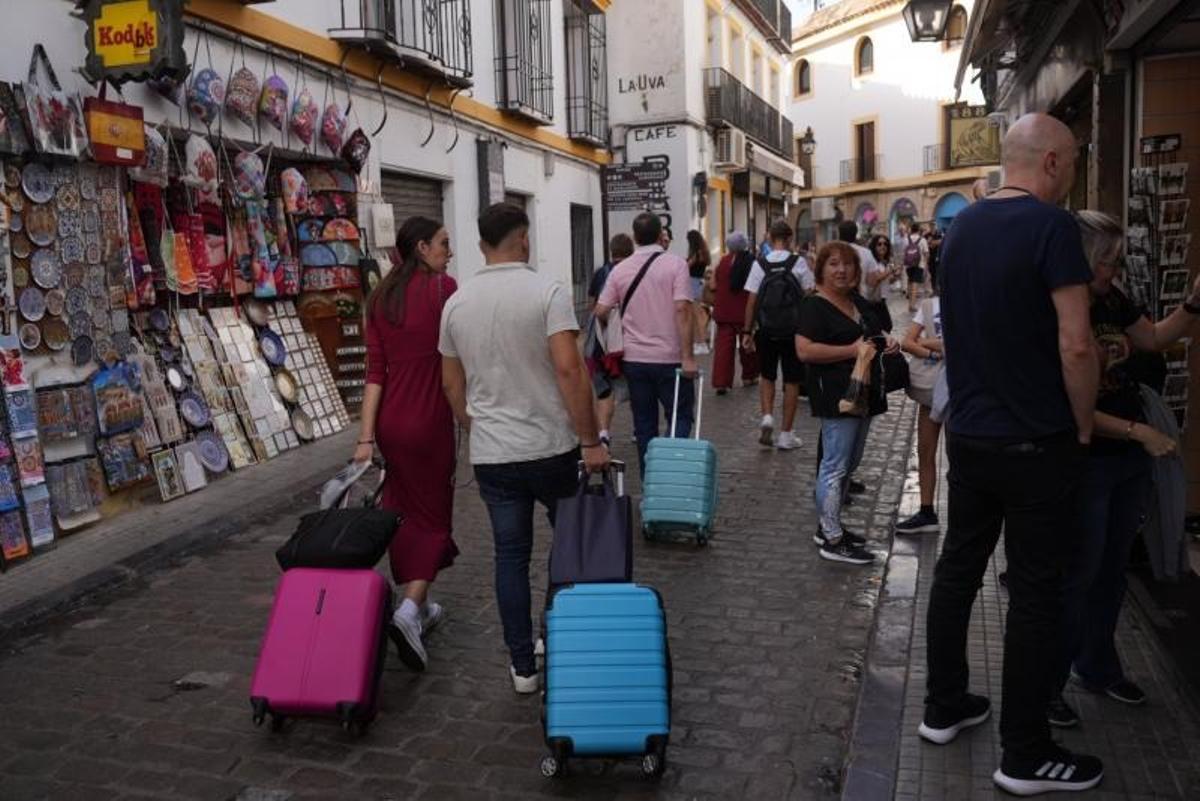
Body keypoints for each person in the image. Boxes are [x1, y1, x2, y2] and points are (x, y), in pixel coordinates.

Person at [920, 113, 1103, 796]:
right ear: (1052, 162)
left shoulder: (960, 228)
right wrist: (1082, 424)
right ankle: (1024, 751)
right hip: (1035, 440)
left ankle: (945, 705)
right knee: (1034, 591)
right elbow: (1076, 342)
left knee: (959, 568)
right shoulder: (1054, 228)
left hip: (970, 435)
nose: (1076, 170)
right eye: (1077, 159)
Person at [439, 203, 609, 694]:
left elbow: (452, 385)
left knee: (509, 556)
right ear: (524, 240)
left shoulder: (458, 302)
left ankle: (522, 666)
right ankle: (550, 633)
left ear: (480, 246)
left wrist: (475, 425)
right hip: (551, 446)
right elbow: (570, 370)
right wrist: (590, 439)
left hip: (494, 454)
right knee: (568, 547)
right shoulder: (547, 292)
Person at [1049, 210, 1200, 726]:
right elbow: (1071, 408)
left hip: (1125, 461)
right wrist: (1141, 433)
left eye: (1117, 260)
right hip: (1089, 460)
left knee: (1112, 571)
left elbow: (1155, 338)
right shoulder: (1062, 310)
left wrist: (1193, 302)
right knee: (1079, 574)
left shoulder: (1113, 300)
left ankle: (1097, 666)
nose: (1114, 270)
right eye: (1106, 261)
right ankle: (1049, 684)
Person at [355, 216, 458, 673]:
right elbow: (461, 358)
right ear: (420, 247)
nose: (448, 252)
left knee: (404, 512)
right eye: (443, 243)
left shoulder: (379, 298)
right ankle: (409, 612)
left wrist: (364, 437)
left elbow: (374, 373)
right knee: (434, 516)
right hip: (431, 419)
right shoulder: (444, 290)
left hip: (392, 424)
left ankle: (423, 605)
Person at [795, 242, 893, 564]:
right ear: (821, 269)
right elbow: (805, 351)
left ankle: (829, 526)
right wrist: (850, 351)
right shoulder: (814, 305)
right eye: (834, 264)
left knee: (849, 463)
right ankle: (832, 539)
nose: (842, 270)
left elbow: (875, 332)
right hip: (836, 395)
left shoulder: (856, 301)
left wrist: (885, 342)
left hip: (864, 393)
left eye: (848, 264)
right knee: (835, 466)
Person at [595, 212, 696, 474]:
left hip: (635, 359)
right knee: (680, 417)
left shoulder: (620, 270)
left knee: (644, 425)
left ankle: (650, 484)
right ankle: (672, 476)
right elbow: (683, 309)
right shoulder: (676, 265)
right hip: (671, 359)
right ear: (661, 235)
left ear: (634, 237)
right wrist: (688, 356)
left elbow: (601, 310)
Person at [741, 219, 814, 450]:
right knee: (792, 381)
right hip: (793, 331)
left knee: (767, 375)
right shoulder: (798, 262)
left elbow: (752, 300)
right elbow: (810, 293)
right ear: (790, 238)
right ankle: (786, 435)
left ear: (770, 239)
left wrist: (747, 330)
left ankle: (767, 417)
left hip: (767, 330)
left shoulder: (759, 264)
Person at [895, 275, 944, 534]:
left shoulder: (975, 303)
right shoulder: (929, 306)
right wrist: (935, 350)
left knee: (963, 458)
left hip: (965, 390)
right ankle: (926, 510)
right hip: (934, 388)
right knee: (925, 450)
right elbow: (907, 342)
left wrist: (926, 342)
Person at [587, 233, 635, 449]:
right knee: (636, 386)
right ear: (630, 251)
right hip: (627, 341)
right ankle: (638, 429)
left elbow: (592, 305)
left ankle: (604, 432)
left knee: (604, 388)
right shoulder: (632, 271)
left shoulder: (600, 273)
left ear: (611, 251)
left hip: (600, 342)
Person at [710, 231, 759, 394]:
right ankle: (749, 376)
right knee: (747, 345)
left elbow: (713, 286)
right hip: (744, 310)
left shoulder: (722, 262)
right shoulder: (751, 262)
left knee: (723, 348)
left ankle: (721, 382)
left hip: (723, 310)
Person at [838, 221, 888, 327]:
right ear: (856, 233)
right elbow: (872, 281)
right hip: (860, 302)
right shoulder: (865, 253)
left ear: (839, 233)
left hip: (836, 301)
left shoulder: (832, 252)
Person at [686, 230, 713, 353]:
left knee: (696, 317)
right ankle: (702, 341)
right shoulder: (704, 253)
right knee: (699, 316)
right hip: (699, 283)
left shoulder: (696, 254)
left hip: (691, 284)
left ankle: (701, 343)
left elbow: (686, 266)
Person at [902, 224, 930, 313]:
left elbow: (904, 253)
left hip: (908, 265)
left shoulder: (906, 239)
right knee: (915, 286)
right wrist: (926, 265)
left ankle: (910, 304)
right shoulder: (922, 240)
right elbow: (926, 254)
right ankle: (912, 306)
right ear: (918, 230)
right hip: (919, 265)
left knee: (910, 284)